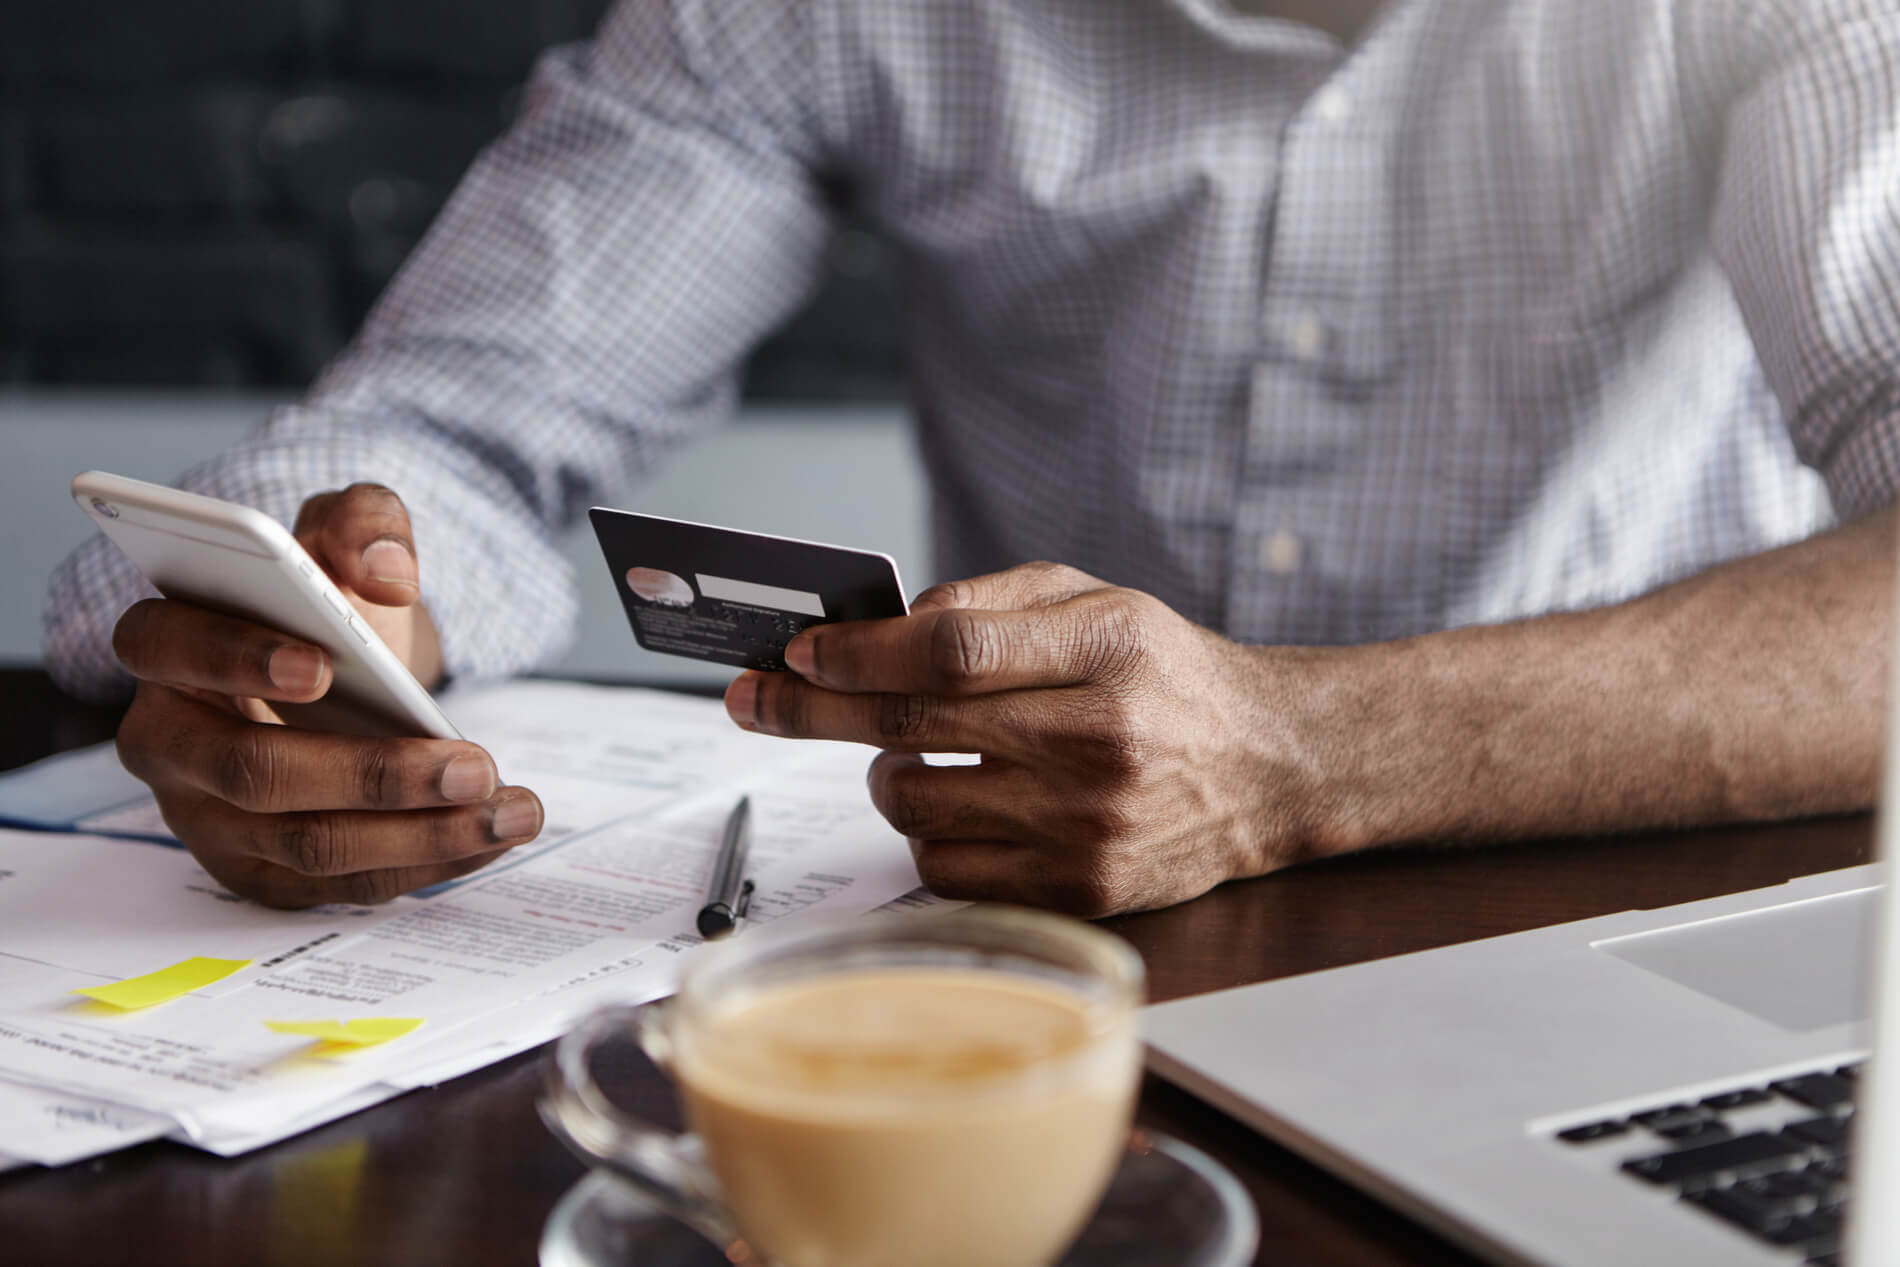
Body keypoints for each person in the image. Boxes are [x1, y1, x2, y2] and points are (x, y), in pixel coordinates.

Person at [43, 0, 1900, 914]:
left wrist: (1304, 749)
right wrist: (337, 623)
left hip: (1617, 896)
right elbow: (449, 425)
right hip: (1016, 936)